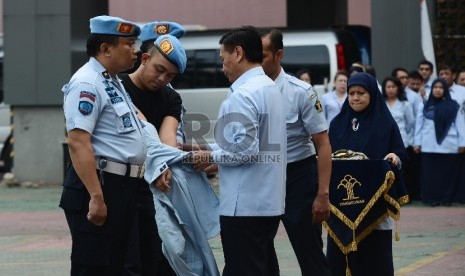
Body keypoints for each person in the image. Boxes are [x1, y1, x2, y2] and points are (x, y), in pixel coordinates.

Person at [59, 15, 170, 275]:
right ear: (106, 49)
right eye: (129, 43)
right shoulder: (88, 82)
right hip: (100, 185)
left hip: (123, 187)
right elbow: (78, 142)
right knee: (96, 265)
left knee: (118, 263)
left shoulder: (112, 81)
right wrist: (97, 197)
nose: (135, 49)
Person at [192, 26, 287, 276]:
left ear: (238, 53)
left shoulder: (243, 94)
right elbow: (252, 143)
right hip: (266, 201)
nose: (223, 66)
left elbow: (246, 150)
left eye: (223, 59)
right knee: (263, 267)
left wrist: (209, 156)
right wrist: (208, 148)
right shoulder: (269, 87)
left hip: (244, 205)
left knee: (244, 268)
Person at [258, 28, 332, 276]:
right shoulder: (246, 90)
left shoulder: (301, 92)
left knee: (309, 251)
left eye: (263, 56)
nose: (256, 62)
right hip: (264, 178)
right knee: (261, 251)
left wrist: (323, 194)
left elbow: (322, 144)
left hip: (298, 178)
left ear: (279, 54)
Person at [119, 22, 187, 275]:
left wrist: (165, 162)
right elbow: (141, 129)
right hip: (122, 182)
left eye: (170, 76)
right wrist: (159, 162)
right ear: (145, 58)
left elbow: (167, 136)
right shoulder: (118, 88)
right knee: (128, 260)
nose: (162, 79)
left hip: (154, 188)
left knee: (156, 257)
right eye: (159, 70)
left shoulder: (171, 98)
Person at [326, 72, 407, 276]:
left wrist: (394, 158)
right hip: (342, 203)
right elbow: (328, 150)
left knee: (374, 258)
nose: (355, 97)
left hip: (374, 202)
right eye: (351, 93)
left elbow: (399, 151)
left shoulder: (385, 123)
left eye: (360, 93)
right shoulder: (337, 123)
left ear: (371, 94)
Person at [413, 78, 465, 206]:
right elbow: (419, 125)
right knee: (431, 175)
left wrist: (462, 143)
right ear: (431, 89)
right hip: (428, 145)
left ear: (445, 90)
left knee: (447, 175)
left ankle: (446, 199)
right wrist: (417, 142)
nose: (437, 90)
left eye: (441, 88)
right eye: (435, 87)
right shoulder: (424, 105)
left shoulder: (454, 105)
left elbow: (460, 125)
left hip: (449, 145)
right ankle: (431, 199)